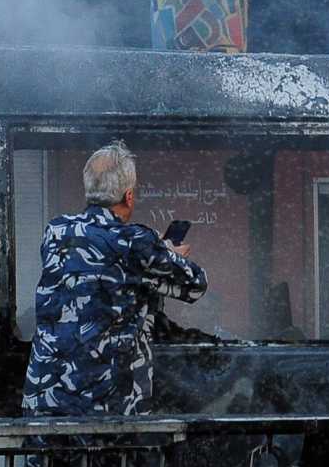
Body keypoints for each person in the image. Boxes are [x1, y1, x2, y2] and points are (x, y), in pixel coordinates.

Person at [24, 143, 208, 417]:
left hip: (46, 402)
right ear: (129, 196)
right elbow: (196, 284)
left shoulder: (56, 231)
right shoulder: (135, 242)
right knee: (115, 462)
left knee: (52, 461)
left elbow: (97, 266)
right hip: (107, 411)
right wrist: (167, 254)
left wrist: (151, 255)